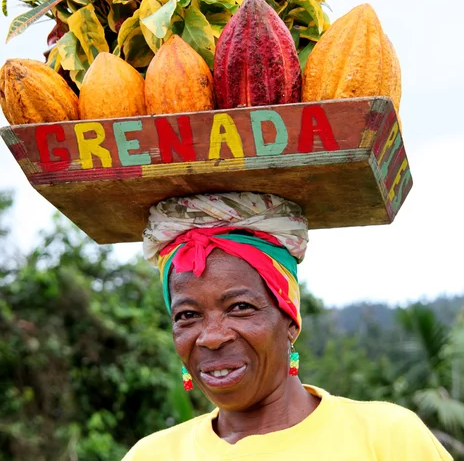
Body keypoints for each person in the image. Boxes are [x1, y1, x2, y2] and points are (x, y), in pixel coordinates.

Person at [122, 192, 453, 460]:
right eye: (187, 316)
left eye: (239, 308)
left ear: (290, 320)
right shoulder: (152, 454)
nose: (211, 337)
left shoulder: (388, 438)